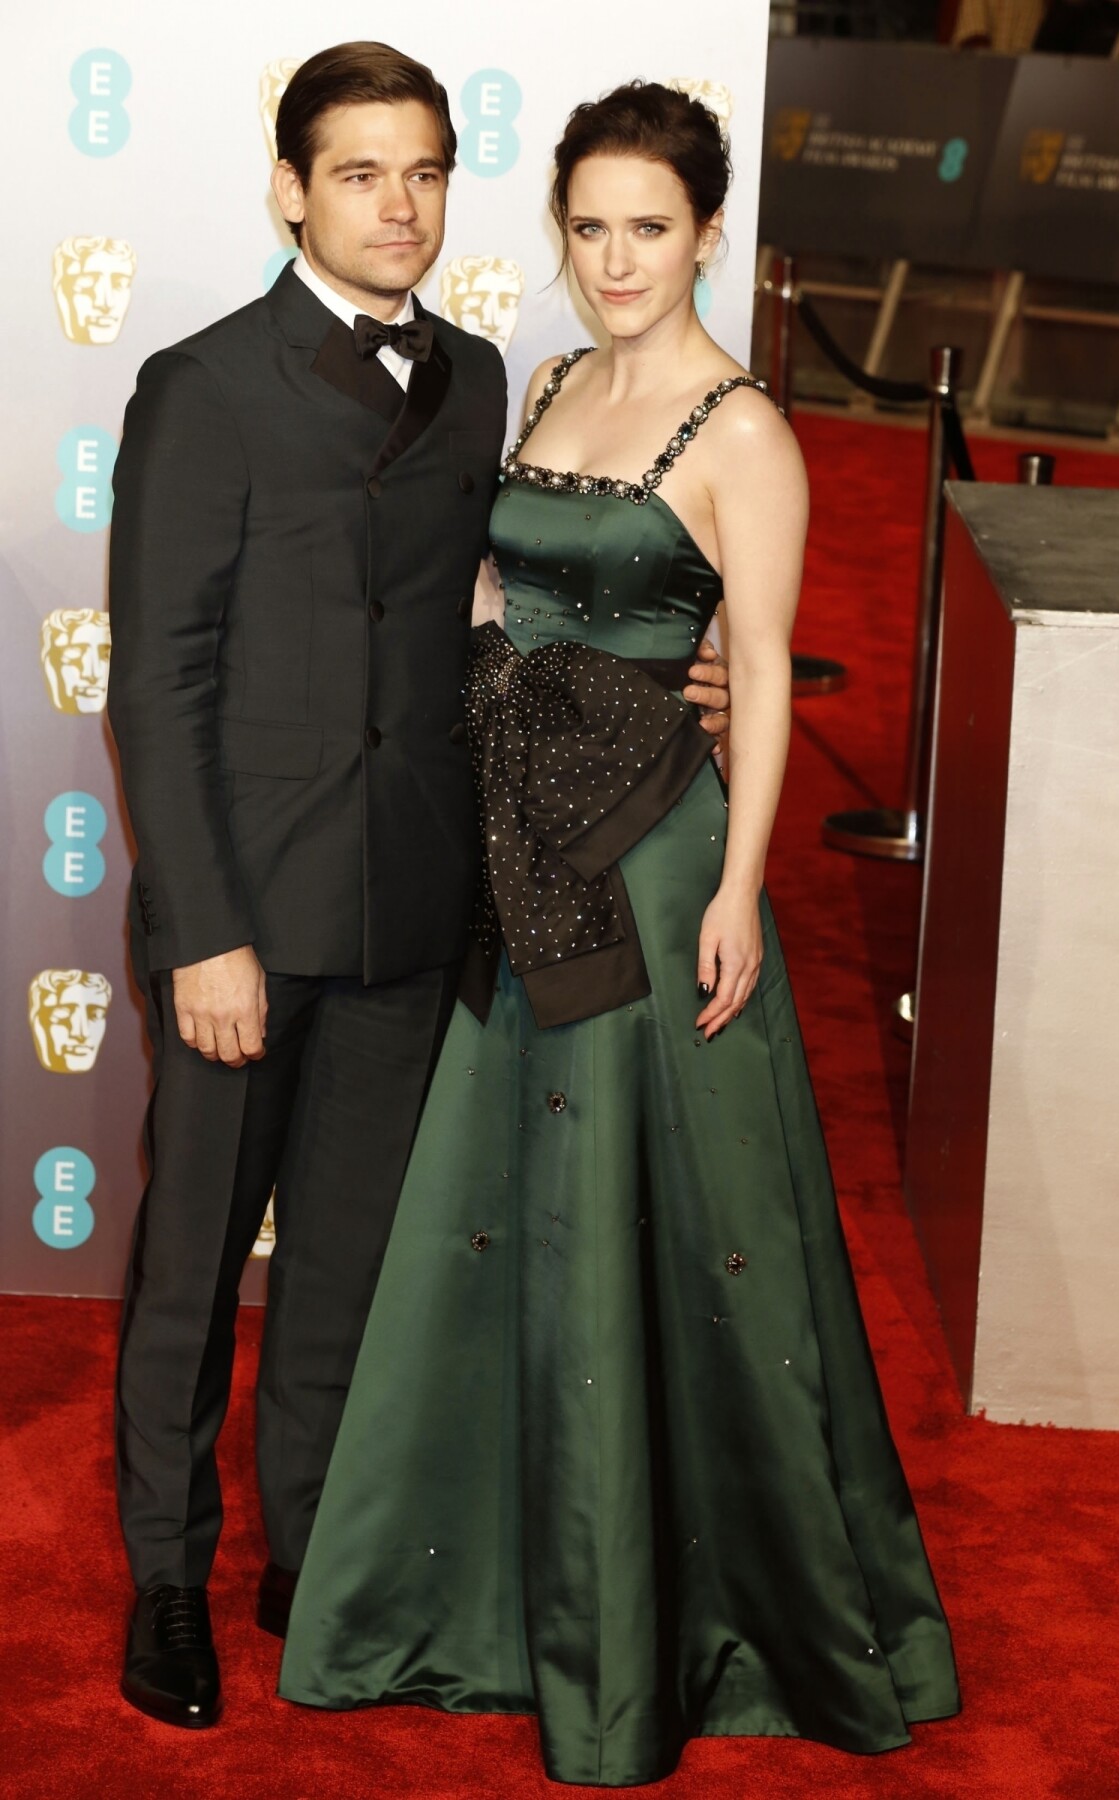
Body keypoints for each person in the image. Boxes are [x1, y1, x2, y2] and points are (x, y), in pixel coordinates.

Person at [280, 81, 961, 1788]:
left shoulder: (746, 435)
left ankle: (664, 1622)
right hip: (523, 857)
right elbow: (509, 591)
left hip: (658, 876)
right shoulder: (558, 379)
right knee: (503, 1221)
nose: (615, 260)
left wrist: (739, 893)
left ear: (710, 233)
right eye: (588, 227)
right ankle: (490, 1604)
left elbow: (770, 678)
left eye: (648, 227)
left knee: (669, 1237)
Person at [105, 39, 737, 1732]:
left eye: (426, 172)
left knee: (351, 1269)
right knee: (191, 1264)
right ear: (292, 190)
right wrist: (208, 930)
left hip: (413, 905)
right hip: (247, 913)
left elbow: (512, 619)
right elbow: (158, 678)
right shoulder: (205, 383)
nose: (400, 205)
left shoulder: (480, 381)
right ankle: (168, 1574)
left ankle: (311, 1558)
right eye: (362, 173)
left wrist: (666, 683)